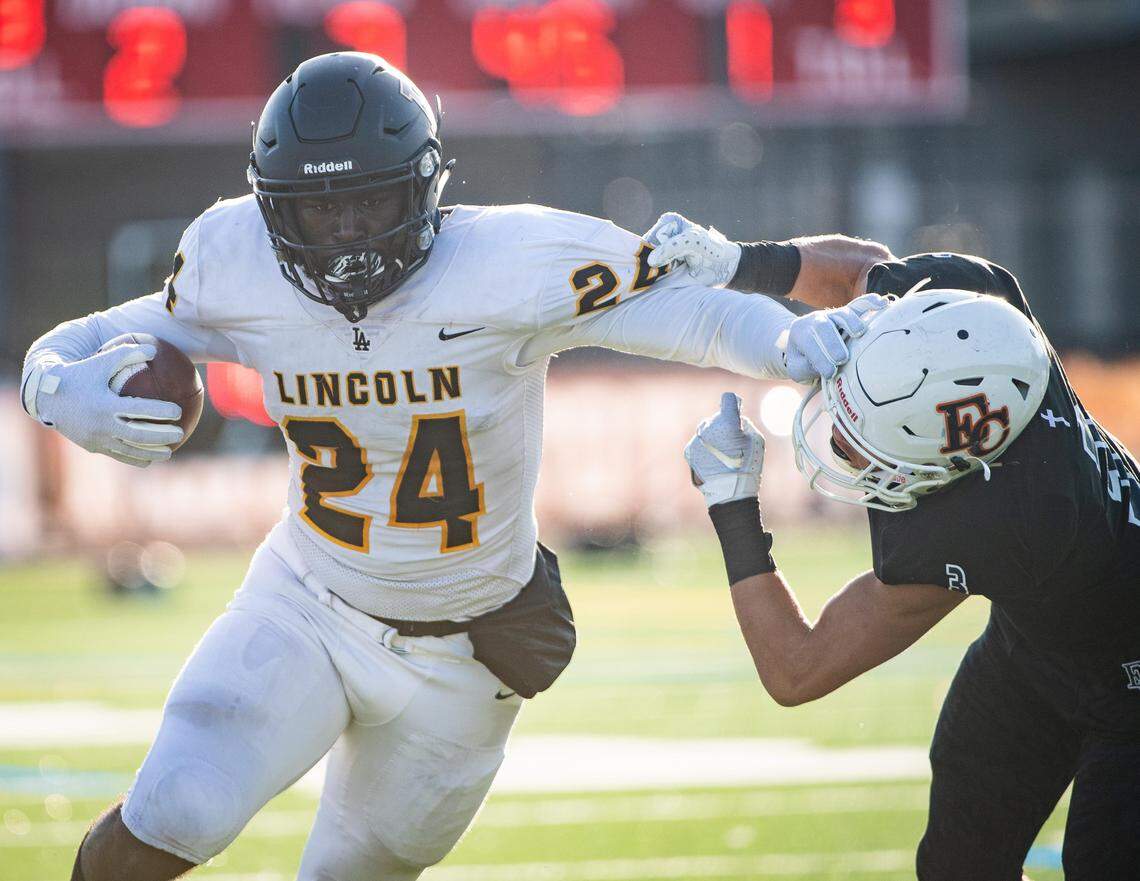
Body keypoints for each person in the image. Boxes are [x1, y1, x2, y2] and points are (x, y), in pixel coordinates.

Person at [20, 53, 891, 881]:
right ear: (274, 210)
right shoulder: (236, 257)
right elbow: (99, 335)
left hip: (465, 654)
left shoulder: (509, 263)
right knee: (176, 807)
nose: (347, 234)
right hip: (308, 600)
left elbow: (691, 311)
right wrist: (56, 388)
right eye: (321, 212)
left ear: (423, 187)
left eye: (369, 202)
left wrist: (785, 341)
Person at [658, 214, 1140, 881]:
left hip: (1125, 680)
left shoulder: (1006, 525)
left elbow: (797, 669)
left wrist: (731, 503)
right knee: (956, 866)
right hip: (1037, 645)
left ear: (951, 463)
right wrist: (735, 260)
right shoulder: (972, 307)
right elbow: (864, 269)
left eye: (867, 446)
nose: (840, 446)